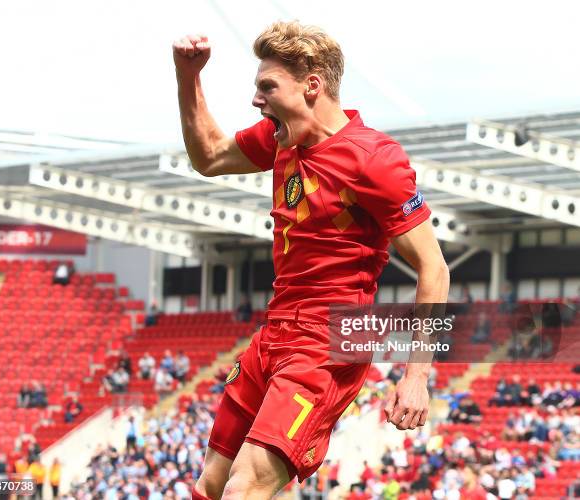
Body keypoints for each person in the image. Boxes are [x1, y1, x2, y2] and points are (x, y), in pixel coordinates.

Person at [173, 21, 449, 499]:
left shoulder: (373, 159)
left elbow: (435, 268)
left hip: (330, 339)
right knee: (211, 486)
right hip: (276, 329)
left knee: (246, 487)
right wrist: (187, 75)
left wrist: (417, 376)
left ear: (312, 86)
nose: (256, 100)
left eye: (267, 87)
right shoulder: (282, 139)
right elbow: (211, 156)